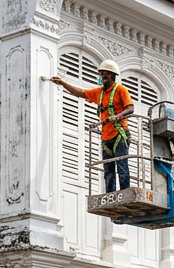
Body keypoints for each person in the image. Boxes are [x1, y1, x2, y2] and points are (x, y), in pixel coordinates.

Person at [50, 61, 134, 193]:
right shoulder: (99, 92)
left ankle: (125, 193)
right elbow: (80, 93)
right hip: (106, 137)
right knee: (108, 170)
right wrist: (63, 83)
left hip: (119, 134)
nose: (103, 77)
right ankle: (110, 195)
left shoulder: (120, 90)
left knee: (122, 166)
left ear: (113, 76)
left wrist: (117, 116)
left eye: (106, 75)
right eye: (102, 75)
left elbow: (130, 108)